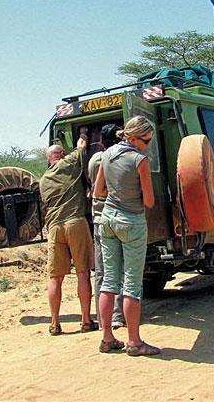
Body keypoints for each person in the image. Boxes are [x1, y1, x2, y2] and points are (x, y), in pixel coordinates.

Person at [93, 116, 160, 356]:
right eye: (146, 140)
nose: (148, 144)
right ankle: (134, 342)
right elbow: (150, 201)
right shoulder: (140, 160)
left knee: (109, 281)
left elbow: (98, 191)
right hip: (131, 221)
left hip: (107, 220)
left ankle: (107, 338)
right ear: (133, 138)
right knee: (132, 283)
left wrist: (117, 193)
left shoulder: (107, 154)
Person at [39, 130, 98, 336]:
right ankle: (86, 320)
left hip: (54, 228)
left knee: (55, 277)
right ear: (62, 154)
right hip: (76, 222)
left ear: (48, 160)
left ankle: (55, 323)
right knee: (82, 272)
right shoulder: (70, 163)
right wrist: (83, 132)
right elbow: (82, 146)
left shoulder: (43, 180)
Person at [87, 124, 125, 329]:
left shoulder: (94, 160)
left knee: (102, 271)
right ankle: (119, 316)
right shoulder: (123, 159)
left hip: (99, 219)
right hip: (120, 217)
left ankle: (104, 319)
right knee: (121, 270)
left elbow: (91, 186)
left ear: (101, 142)